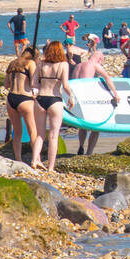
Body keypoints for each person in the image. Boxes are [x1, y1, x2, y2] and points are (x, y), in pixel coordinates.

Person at [72, 41, 121, 155]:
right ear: (99, 59)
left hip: (77, 98)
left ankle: (80, 146)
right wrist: (115, 94)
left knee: (82, 125)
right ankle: (89, 152)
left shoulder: (79, 65)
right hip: (88, 99)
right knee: (96, 127)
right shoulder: (94, 65)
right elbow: (107, 78)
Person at [32, 41, 74, 172]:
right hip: (54, 99)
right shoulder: (63, 65)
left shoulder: (40, 64)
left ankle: (34, 160)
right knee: (54, 136)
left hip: (40, 99)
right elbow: (65, 85)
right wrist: (71, 96)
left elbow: (34, 84)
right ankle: (50, 167)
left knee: (40, 134)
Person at [3, 47, 38, 161]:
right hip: (25, 98)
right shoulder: (31, 63)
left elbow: (6, 85)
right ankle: (35, 159)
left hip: (11, 98)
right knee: (33, 131)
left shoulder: (13, 63)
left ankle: (18, 159)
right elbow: (34, 83)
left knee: (17, 132)